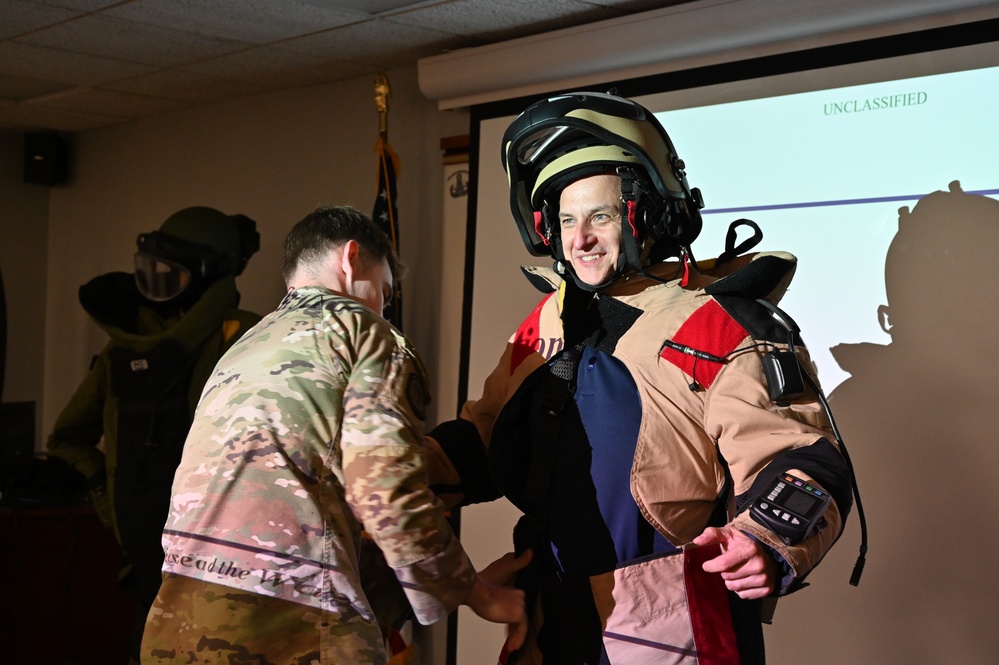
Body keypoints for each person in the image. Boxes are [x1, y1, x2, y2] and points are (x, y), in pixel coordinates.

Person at [425, 91, 856, 663]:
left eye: (599, 216)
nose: (579, 240)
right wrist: (385, 463)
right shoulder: (546, 321)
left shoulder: (714, 323)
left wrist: (764, 541)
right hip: (545, 623)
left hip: (669, 626)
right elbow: (482, 442)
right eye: (566, 219)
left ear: (644, 212)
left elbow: (801, 459)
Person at [141, 206, 528, 664]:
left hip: (177, 621)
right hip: (290, 626)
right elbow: (383, 488)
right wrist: (476, 592)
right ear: (350, 259)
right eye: (384, 291)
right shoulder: (363, 332)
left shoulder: (244, 348)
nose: (384, 306)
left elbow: (299, 510)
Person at [46, 206, 262, 663]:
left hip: (224, 574)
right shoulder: (122, 350)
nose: (160, 284)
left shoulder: (245, 339)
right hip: (148, 564)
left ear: (210, 275)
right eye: (153, 271)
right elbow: (68, 437)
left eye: (175, 273)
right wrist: (108, 497)